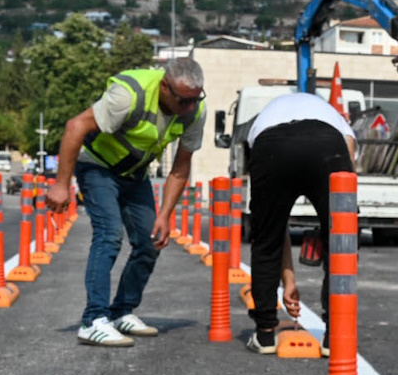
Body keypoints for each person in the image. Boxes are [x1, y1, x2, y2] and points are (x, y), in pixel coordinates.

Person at [44, 56, 205, 347]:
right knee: (109, 235)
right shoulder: (130, 94)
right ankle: (93, 320)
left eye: (196, 99)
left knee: (149, 241)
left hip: (134, 174)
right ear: (165, 87)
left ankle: (121, 312)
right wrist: (61, 184)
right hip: (97, 166)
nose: (190, 107)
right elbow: (75, 127)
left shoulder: (194, 111)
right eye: (184, 101)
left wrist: (165, 215)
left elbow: (181, 167)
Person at [238, 87, 358, 353]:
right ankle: (335, 336)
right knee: (341, 243)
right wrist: (336, 220)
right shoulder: (336, 119)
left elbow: (276, 229)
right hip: (328, 144)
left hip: (271, 144)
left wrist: (287, 280)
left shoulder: (263, 119)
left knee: (266, 239)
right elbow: (349, 165)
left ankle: (265, 334)